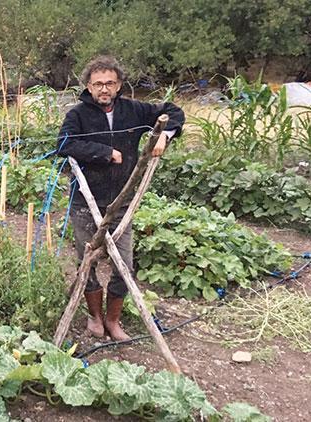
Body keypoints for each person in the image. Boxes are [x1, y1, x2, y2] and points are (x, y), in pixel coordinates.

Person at [57, 56, 185, 341]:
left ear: (119, 85)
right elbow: (64, 144)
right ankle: (95, 318)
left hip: (122, 201)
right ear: (88, 87)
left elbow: (173, 111)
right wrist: (104, 153)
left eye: (110, 83)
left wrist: (165, 135)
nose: (104, 89)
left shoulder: (134, 110)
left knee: (124, 264)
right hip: (86, 200)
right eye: (98, 84)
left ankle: (113, 320)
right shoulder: (77, 115)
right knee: (87, 260)